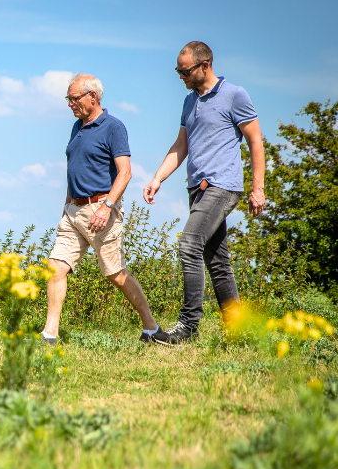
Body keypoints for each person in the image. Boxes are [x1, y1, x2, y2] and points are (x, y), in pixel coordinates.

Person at [143, 42, 266, 345]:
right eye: (178, 71)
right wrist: (158, 178)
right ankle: (238, 329)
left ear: (205, 65)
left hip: (222, 186)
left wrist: (257, 188)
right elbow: (181, 145)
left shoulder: (234, 95)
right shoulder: (189, 102)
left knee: (189, 244)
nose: (181, 76)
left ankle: (188, 326)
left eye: (184, 71)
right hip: (196, 188)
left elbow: (255, 141)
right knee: (217, 260)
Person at [41, 73, 161, 344]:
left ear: (92, 97)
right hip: (73, 211)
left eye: (74, 98)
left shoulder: (113, 127)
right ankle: (50, 334)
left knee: (115, 274)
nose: (70, 104)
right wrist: (68, 204)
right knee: (55, 267)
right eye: (68, 99)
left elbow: (125, 172)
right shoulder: (78, 127)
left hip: (100, 211)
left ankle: (151, 328)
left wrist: (106, 207)